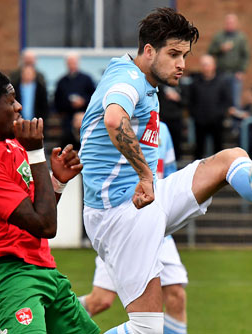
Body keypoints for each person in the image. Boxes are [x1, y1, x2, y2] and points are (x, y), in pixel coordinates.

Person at [79, 8, 252, 334]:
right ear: (148, 51)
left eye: (185, 55)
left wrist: (148, 181)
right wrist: (146, 177)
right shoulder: (128, 79)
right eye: (174, 54)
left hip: (145, 200)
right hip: (119, 213)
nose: (182, 64)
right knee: (146, 329)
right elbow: (113, 119)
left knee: (228, 158)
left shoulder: (138, 77)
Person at [0, 69, 99, 334]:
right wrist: (36, 152)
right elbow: (45, 226)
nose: (19, 106)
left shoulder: (12, 144)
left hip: (43, 268)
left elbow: (39, 213)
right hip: (9, 275)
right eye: (10, 101)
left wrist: (58, 182)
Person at [79, 122, 188, 334]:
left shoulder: (162, 129)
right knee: (101, 301)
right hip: (121, 223)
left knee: (176, 293)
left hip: (156, 221)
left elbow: (170, 171)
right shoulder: (114, 123)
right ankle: (52, 320)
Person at [188, 54, 232, 159]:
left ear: (213, 66)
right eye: (203, 65)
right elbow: (190, 101)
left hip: (216, 122)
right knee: (198, 149)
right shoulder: (195, 83)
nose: (205, 67)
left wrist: (219, 114)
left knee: (218, 149)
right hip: (200, 122)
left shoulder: (221, 83)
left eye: (207, 65)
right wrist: (195, 115)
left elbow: (227, 101)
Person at [207, 13, 250, 107]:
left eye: (232, 23)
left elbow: (246, 55)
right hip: (220, 73)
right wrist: (220, 49)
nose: (229, 25)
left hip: (235, 74)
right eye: (228, 23)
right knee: (219, 98)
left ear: (236, 24)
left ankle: (235, 121)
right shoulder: (219, 37)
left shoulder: (241, 38)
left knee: (235, 100)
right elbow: (210, 52)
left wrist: (241, 71)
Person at [54, 52, 96, 141]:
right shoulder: (62, 81)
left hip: (85, 117)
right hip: (68, 120)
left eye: (74, 62)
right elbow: (57, 101)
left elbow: (94, 98)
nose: (72, 65)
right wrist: (70, 104)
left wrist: (83, 101)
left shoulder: (87, 79)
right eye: (70, 62)